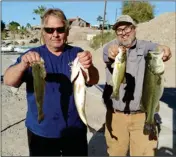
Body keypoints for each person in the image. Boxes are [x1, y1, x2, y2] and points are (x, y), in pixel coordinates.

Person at [3, 8, 99, 156]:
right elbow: (8, 80)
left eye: (60, 29)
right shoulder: (32, 55)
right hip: (40, 132)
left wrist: (89, 66)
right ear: (43, 32)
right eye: (49, 30)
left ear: (66, 31)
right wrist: (22, 64)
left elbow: (93, 80)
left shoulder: (76, 53)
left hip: (74, 131)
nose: (55, 34)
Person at [102, 15, 172, 156]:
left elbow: (158, 48)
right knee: (116, 153)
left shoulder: (145, 46)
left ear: (134, 29)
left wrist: (165, 49)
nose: (124, 32)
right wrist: (113, 55)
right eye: (119, 30)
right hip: (116, 116)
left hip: (142, 115)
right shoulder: (110, 47)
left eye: (127, 27)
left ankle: (150, 122)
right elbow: (108, 54)